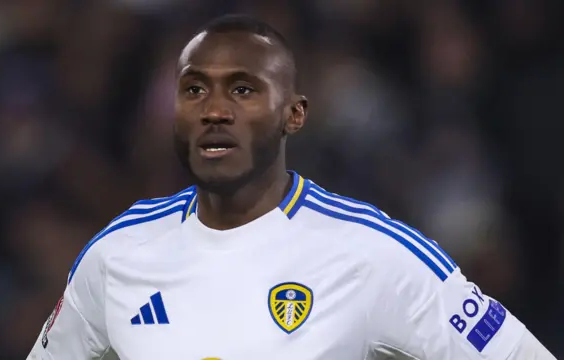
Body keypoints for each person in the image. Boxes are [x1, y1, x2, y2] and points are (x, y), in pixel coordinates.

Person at [27, 14, 556, 360]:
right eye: (194, 90)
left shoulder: (371, 253)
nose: (215, 110)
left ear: (293, 115)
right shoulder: (118, 254)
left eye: (243, 90)